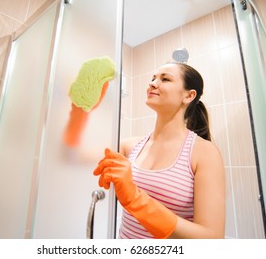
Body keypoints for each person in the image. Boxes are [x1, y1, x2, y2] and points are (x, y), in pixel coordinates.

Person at [93, 62, 225, 239]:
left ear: (188, 96)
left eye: (165, 79)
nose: (153, 83)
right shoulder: (131, 146)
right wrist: (91, 105)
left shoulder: (205, 153)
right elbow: (77, 155)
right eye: (153, 78)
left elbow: (211, 238)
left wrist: (134, 199)